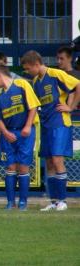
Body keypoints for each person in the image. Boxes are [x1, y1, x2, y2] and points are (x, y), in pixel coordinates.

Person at [21, 50, 80, 211]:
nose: (27, 72)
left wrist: (71, 107)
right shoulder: (35, 82)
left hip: (60, 123)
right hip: (46, 125)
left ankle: (62, 200)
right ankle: (53, 200)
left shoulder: (55, 74)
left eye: (27, 68)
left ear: (36, 64)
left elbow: (77, 85)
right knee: (49, 162)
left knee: (57, 160)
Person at [0, 64, 40, 211]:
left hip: (24, 132)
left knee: (23, 167)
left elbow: (33, 106)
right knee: (10, 167)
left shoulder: (22, 84)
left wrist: (27, 126)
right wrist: (4, 132)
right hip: (8, 134)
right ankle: (10, 202)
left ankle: (23, 202)